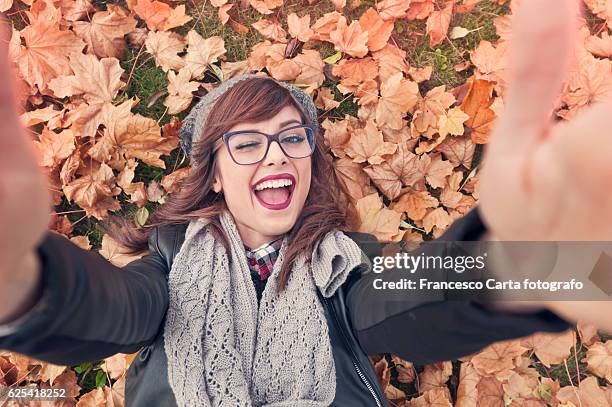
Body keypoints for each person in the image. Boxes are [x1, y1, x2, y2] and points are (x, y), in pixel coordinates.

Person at [0, 0, 610, 406]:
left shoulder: (345, 266)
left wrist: (544, 266)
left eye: (294, 138)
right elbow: (111, 309)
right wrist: (27, 283)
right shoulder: (167, 268)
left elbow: (407, 292)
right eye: (247, 142)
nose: (277, 155)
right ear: (212, 175)